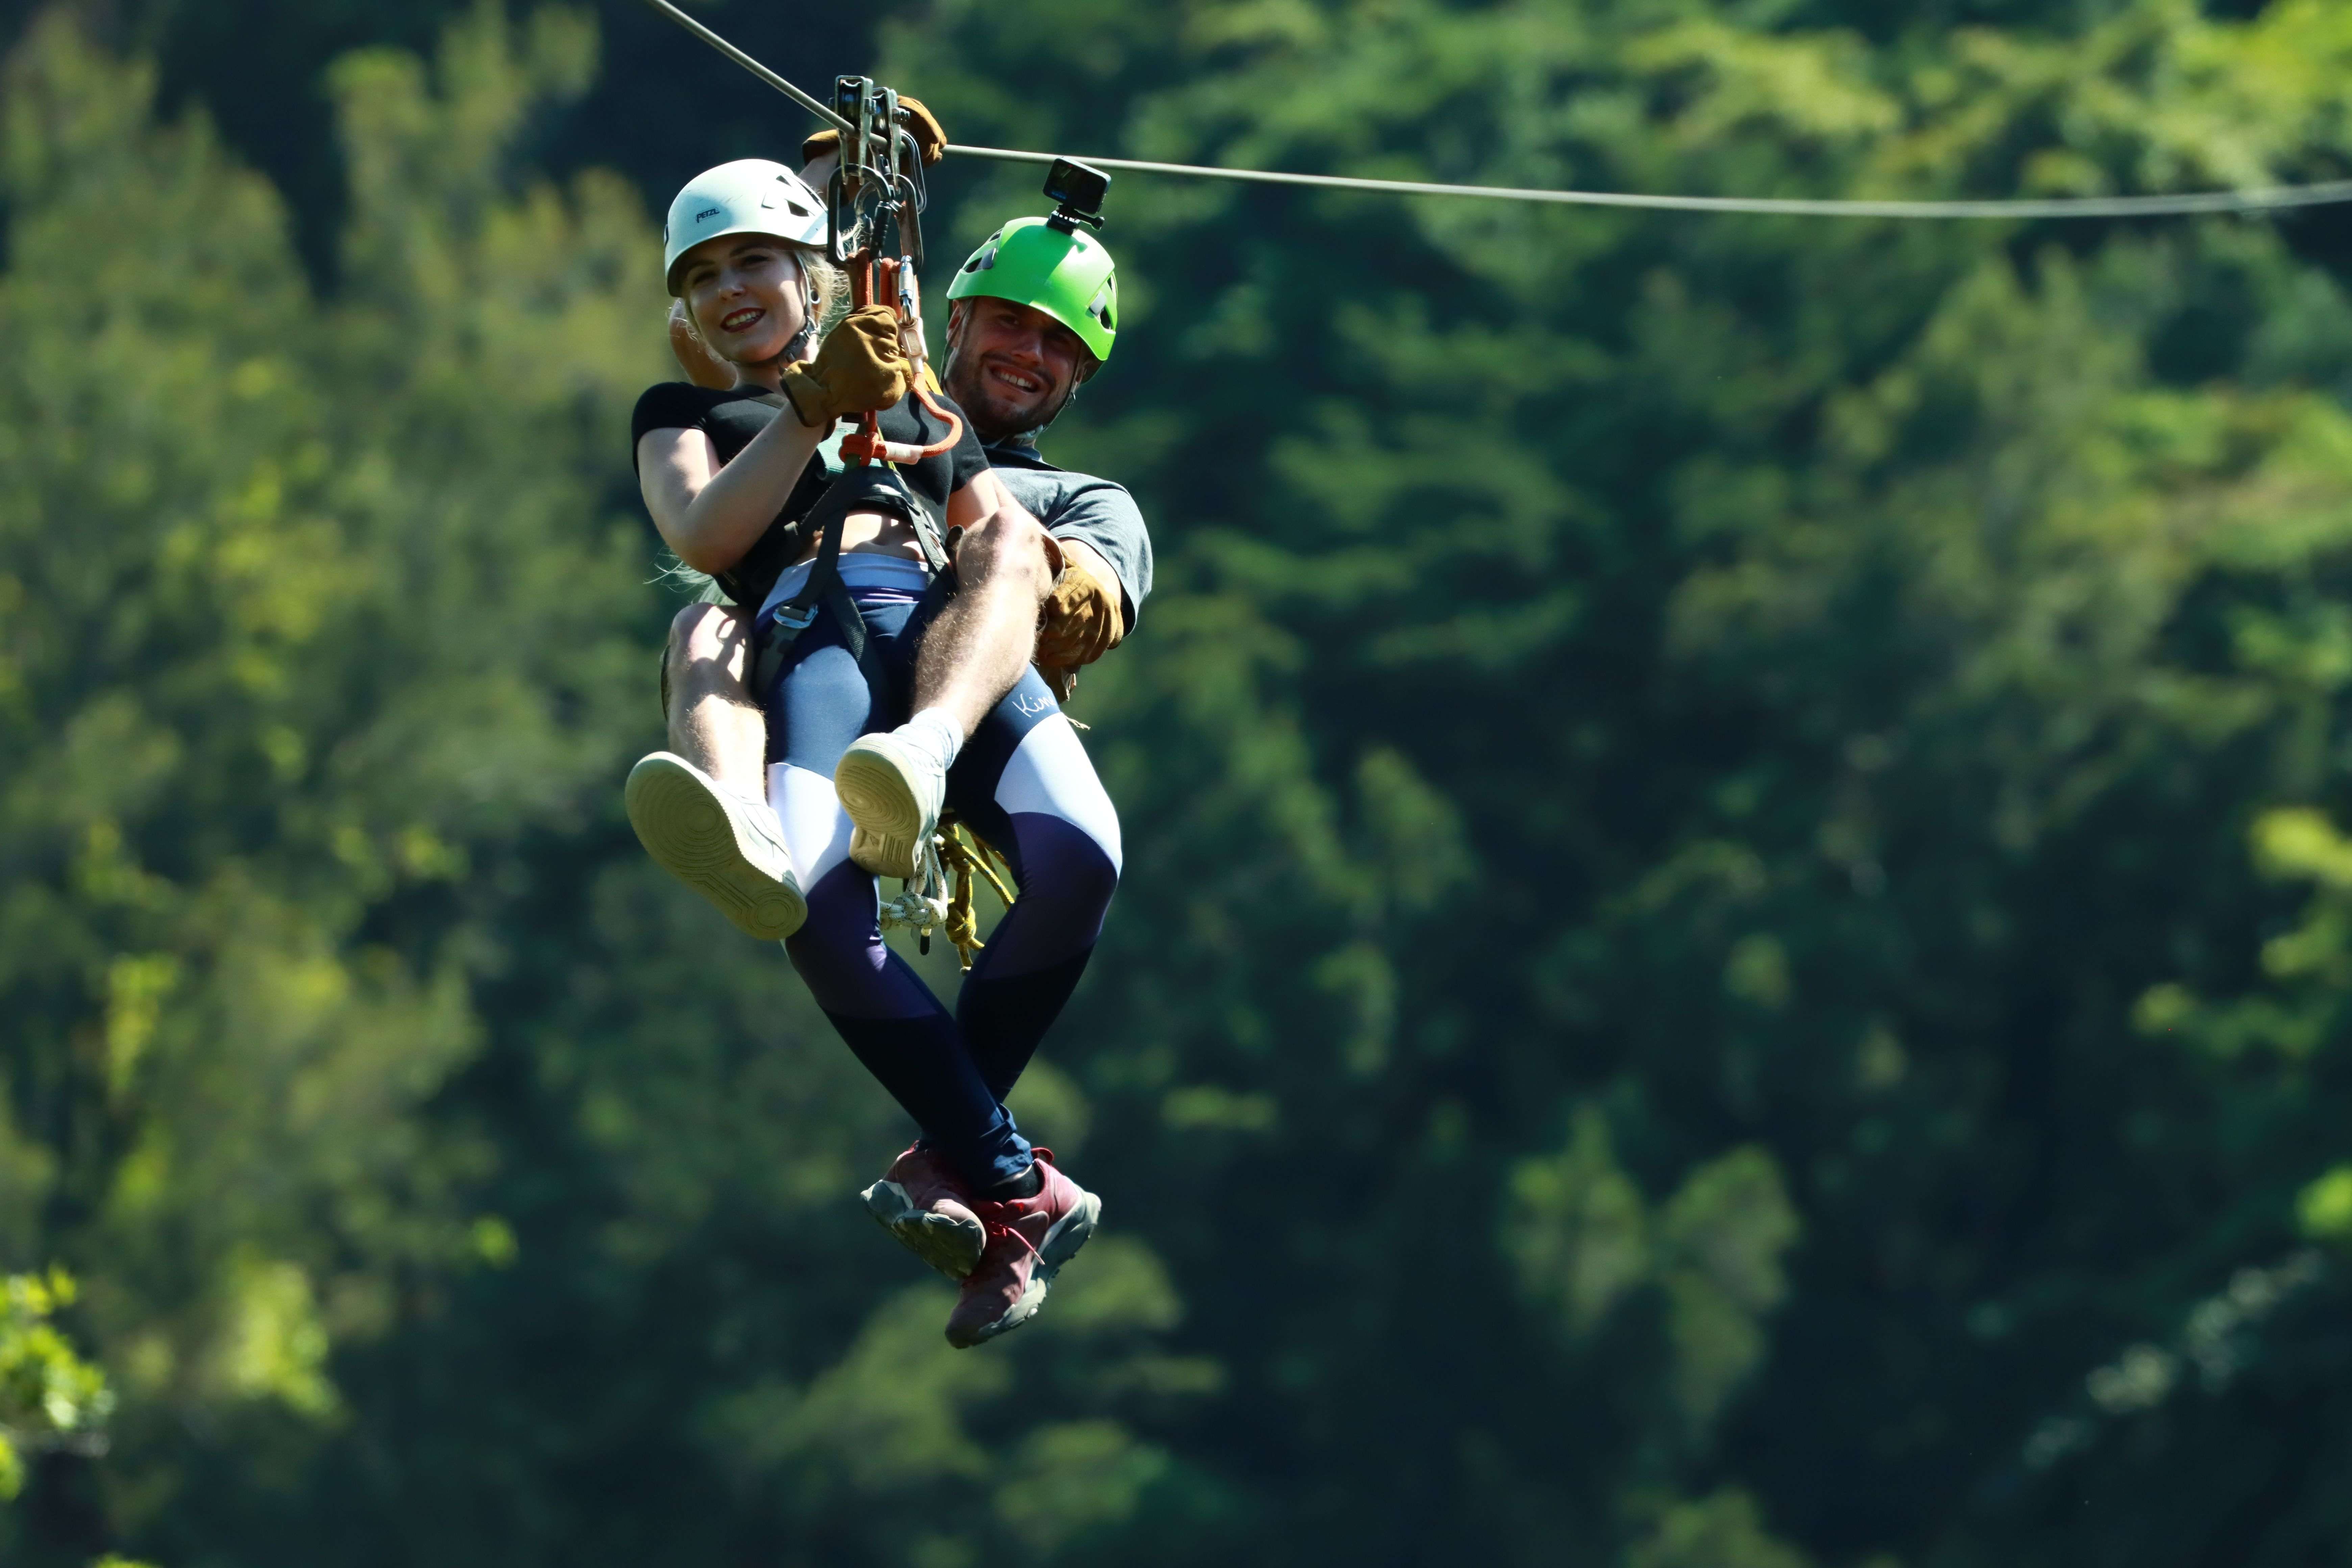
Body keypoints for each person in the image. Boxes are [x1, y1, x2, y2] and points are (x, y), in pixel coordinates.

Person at [626, 146, 1141, 1347]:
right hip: (817, 634)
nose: (732, 288)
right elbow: (708, 536)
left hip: (951, 643)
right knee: (811, 908)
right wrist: (818, 397)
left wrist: (899, 393)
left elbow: (995, 531)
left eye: (757, 260)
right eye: (706, 277)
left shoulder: (939, 414)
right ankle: (1016, 1184)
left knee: (1083, 858)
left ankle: (988, 1169)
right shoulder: (693, 414)